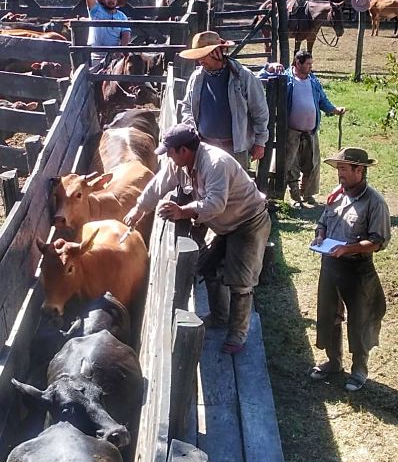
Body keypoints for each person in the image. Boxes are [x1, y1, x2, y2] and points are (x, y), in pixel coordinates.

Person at [124, 123, 271, 354]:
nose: (168, 157)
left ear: (184, 150)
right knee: (209, 268)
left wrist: (183, 211)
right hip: (223, 224)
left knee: (241, 281)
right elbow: (158, 185)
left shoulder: (215, 163)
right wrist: (139, 208)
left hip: (247, 222)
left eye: (170, 151)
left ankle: (238, 335)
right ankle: (220, 317)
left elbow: (215, 203)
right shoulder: (180, 165)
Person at [310, 147, 391, 391]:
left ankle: (359, 370)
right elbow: (323, 221)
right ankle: (334, 362)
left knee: (360, 320)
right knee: (328, 315)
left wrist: (349, 249)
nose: (340, 174)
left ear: (360, 170)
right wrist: (320, 235)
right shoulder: (336, 195)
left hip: (357, 269)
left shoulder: (375, 203)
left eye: (344, 169)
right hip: (330, 265)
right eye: (338, 169)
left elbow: (377, 242)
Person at [259, 50, 345, 206]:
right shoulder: (285, 78)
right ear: (297, 63)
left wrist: (333, 109)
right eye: (308, 64)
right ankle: (294, 197)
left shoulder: (313, 81)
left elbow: (322, 100)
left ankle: (307, 194)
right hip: (291, 132)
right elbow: (259, 80)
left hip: (310, 132)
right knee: (290, 166)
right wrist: (269, 68)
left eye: (312, 64)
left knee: (311, 164)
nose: (311, 67)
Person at [179, 31, 270, 170]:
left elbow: (260, 111)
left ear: (216, 52)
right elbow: (187, 107)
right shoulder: (196, 77)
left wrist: (260, 142)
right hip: (205, 147)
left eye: (203, 55)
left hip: (234, 149)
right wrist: (192, 130)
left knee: (235, 190)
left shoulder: (243, 77)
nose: (200, 60)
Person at [79, 0, 131, 65]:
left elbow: (126, 34)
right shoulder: (96, 10)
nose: (111, 0)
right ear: (103, 0)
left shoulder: (122, 17)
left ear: (117, 1)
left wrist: (120, 50)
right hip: (95, 55)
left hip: (114, 57)